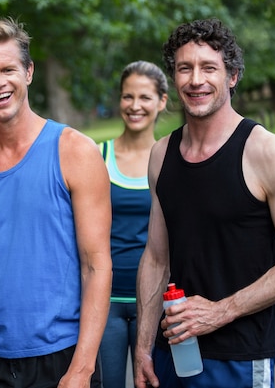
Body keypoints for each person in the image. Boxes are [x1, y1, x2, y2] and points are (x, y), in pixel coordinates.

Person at [0, 17, 112, 387]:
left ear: (29, 72)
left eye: (8, 69)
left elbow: (96, 266)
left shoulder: (76, 152)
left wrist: (83, 368)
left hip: (63, 357)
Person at [134, 18, 275, 388]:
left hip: (239, 357)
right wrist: (143, 347)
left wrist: (220, 312)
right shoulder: (161, 154)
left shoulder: (265, 150)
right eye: (184, 68)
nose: (196, 80)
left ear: (233, 76)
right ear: (173, 76)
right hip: (172, 350)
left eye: (209, 68)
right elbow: (157, 257)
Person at [98, 61, 168, 388]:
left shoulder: (173, 158)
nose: (135, 106)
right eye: (128, 97)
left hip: (157, 304)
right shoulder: (98, 155)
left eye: (145, 97)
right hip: (105, 302)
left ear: (162, 101)